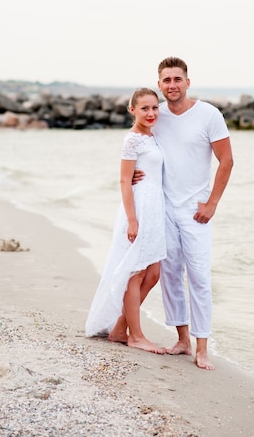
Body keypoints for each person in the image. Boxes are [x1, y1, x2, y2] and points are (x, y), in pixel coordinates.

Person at [134, 57, 233, 369]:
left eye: (177, 79)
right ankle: (182, 340)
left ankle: (203, 347)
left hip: (195, 211)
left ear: (187, 82)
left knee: (200, 278)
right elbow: (136, 145)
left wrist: (212, 203)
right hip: (163, 209)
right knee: (171, 276)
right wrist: (134, 174)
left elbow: (226, 160)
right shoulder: (155, 115)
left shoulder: (209, 115)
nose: (172, 85)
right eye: (166, 80)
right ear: (159, 84)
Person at [85, 88, 167, 354]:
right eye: (145, 108)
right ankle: (135, 335)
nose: (151, 113)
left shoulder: (152, 136)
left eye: (155, 107)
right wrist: (132, 221)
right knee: (136, 272)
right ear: (132, 110)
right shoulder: (132, 139)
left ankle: (121, 327)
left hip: (155, 208)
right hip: (139, 208)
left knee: (153, 273)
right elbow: (124, 180)